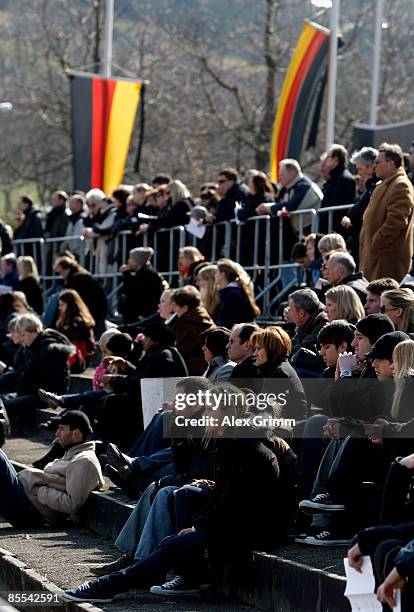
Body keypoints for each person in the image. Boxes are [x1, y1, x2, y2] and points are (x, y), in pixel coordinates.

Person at [63, 387, 286, 603]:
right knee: (184, 499)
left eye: (210, 409)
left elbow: (234, 504)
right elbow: (224, 494)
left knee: (173, 544)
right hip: (239, 519)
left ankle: (105, 587)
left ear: (227, 414)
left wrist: (198, 527)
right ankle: (190, 576)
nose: (205, 414)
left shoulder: (242, 446)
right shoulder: (229, 441)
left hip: (256, 530)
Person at [0, 410, 104, 528]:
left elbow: (72, 504)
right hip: (27, 499)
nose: (56, 433)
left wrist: (38, 491)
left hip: (31, 511)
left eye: (61, 429)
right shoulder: (73, 454)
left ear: (76, 433)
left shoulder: (84, 462)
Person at [0, 313, 72, 426]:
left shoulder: (50, 348)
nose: (20, 340)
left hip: (45, 396)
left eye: (22, 335)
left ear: (32, 331)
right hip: (31, 392)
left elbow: (49, 383)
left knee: (3, 406)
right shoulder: (33, 347)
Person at [360, 143, 414, 282]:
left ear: (391, 163)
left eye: (378, 162)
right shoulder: (384, 184)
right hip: (376, 258)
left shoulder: (400, 185)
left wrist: (376, 243)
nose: (374, 166)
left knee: (384, 301)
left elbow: (396, 221)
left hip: (386, 260)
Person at [251, 326, 307, 421]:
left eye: (258, 349)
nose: (254, 354)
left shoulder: (279, 373)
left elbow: (267, 415)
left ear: (271, 349)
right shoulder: (280, 368)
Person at [340, 147, 378, 264]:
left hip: (367, 242)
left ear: (370, 167)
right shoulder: (370, 187)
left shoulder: (376, 187)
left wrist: (351, 222)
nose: (359, 173)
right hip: (359, 239)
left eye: (360, 169)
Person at [54, 256, 107, 332]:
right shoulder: (81, 277)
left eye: (61, 272)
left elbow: (76, 301)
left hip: (93, 312)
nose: (61, 275)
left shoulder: (76, 280)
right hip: (97, 312)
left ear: (67, 269)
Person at [170, 286, 215, 375]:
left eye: (175, 305)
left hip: (194, 374)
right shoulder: (204, 318)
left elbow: (179, 354)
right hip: (206, 370)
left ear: (185, 308)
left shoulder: (188, 324)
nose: (174, 309)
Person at [118, 247, 164, 324]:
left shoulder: (149, 275)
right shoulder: (142, 273)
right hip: (140, 315)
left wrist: (126, 274)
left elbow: (133, 292)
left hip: (144, 316)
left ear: (138, 261)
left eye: (131, 258)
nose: (128, 261)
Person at [288, 288, 328, 371]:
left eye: (291, 310)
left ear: (302, 313)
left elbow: (303, 348)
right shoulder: (306, 321)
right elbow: (293, 343)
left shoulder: (322, 324)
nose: (289, 313)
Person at [319, 144, 356, 234]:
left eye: (328, 157)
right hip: (328, 228)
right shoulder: (333, 179)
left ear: (335, 159)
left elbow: (336, 208)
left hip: (336, 231)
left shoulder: (345, 180)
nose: (325, 160)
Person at [55, 289, 95, 372]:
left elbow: (66, 338)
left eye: (62, 305)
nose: (59, 308)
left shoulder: (79, 322)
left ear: (70, 305)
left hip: (80, 359)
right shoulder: (64, 320)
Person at [214, 258, 260, 328]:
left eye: (216, 272)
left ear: (223, 274)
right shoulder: (230, 292)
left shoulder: (233, 294)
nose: (214, 275)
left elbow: (232, 321)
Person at [61, 194, 87, 260]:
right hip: (71, 252)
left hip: (79, 253)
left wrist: (72, 248)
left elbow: (78, 235)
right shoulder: (71, 218)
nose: (69, 204)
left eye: (72, 202)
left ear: (79, 204)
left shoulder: (83, 218)